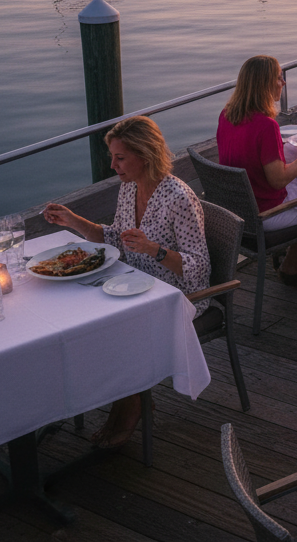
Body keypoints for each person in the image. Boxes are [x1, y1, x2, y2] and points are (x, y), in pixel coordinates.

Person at [44, 116, 211, 449]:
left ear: (144, 155)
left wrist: (154, 249)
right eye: (112, 157)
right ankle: (127, 397)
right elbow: (116, 238)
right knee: (80, 320)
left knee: (110, 329)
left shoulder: (179, 198)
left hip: (175, 297)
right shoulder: (129, 187)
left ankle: (130, 403)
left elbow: (199, 268)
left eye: (120, 158)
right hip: (131, 285)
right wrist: (73, 221)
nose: (112, 165)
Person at [217, 56, 297, 284]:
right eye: (279, 77)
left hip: (238, 209)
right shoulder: (266, 126)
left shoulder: (226, 115)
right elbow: (278, 181)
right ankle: (295, 264)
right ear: (266, 84)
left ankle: (296, 257)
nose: (284, 82)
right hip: (264, 215)